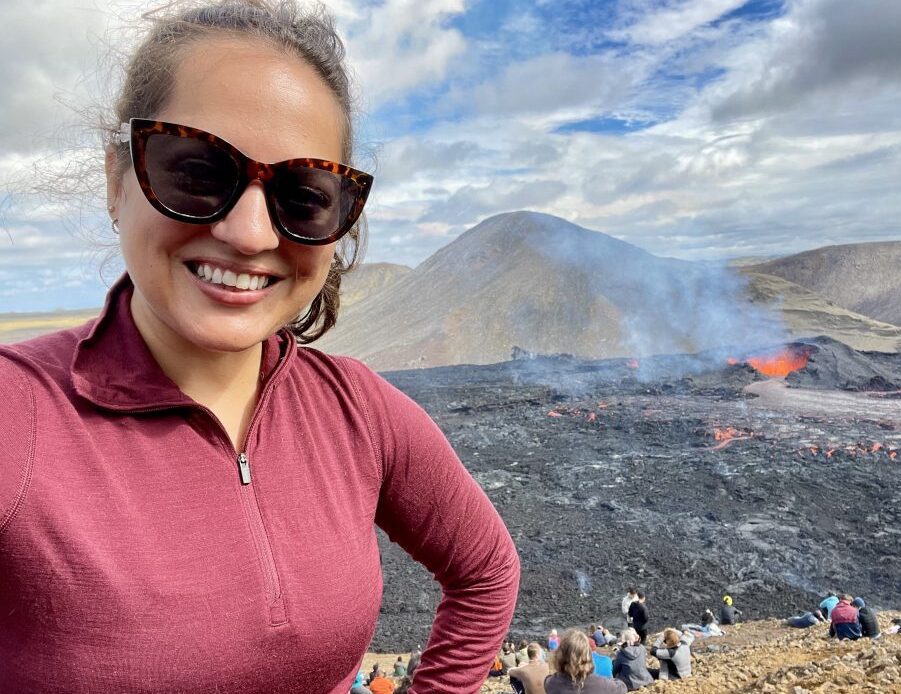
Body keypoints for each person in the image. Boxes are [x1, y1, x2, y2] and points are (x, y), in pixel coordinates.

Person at [0, 2, 521, 692]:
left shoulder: (357, 409)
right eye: (196, 171)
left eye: (303, 197)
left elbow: (487, 570)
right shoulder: (20, 415)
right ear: (117, 180)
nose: (249, 234)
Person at [544, 630, 627, 694]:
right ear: (588, 655)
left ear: (561, 656)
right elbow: (622, 687)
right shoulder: (602, 684)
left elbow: (547, 680)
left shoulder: (552, 683)